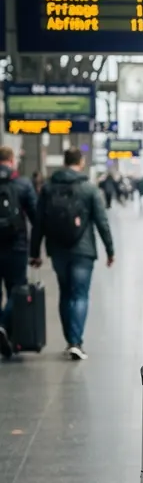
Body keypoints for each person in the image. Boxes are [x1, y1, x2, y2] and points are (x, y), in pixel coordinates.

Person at [29, 148, 115, 361]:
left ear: (64, 161)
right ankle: (75, 342)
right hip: (83, 251)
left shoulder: (48, 188)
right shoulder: (89, 188)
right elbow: (102, 222)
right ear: (81, 162)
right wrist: (110, 250)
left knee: (65, 293)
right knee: (79, 295)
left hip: (58, 250)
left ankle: (70, 338)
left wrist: (34, 253)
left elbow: (38, 222)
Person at [0, 146, 38, 360]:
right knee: (17, 290)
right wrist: (36, 250)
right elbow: (35, 216)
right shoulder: (23, 184)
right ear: (12, 161)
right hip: (17, 246)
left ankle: (2, 329)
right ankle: (4, 326)